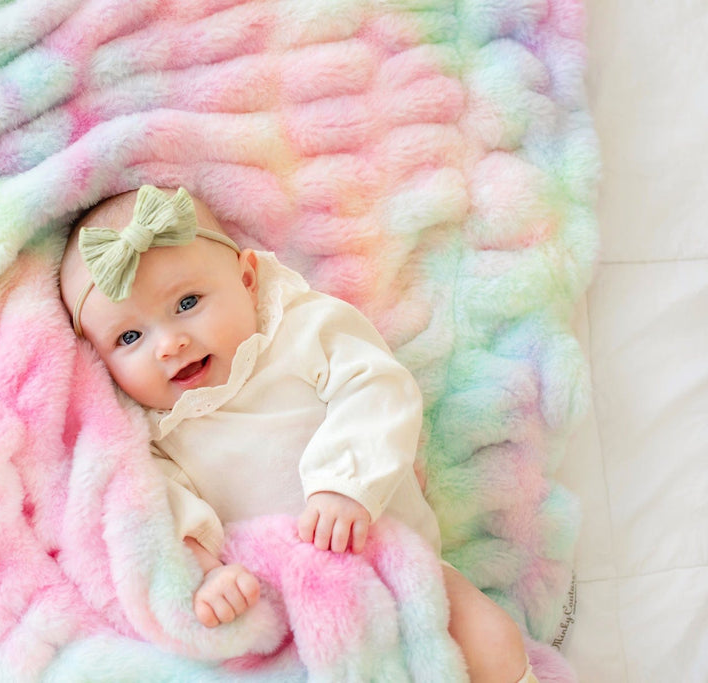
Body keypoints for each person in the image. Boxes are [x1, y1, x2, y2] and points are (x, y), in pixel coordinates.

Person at [59, 185, 538, 683]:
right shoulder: (159, 437)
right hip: (298, 616)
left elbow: (377, 387)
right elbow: (165, 515)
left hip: (401, 570)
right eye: (130, 337)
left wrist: (343, 483)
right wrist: (209, 574)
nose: (169, 343)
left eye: (187, 302)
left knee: (491, 642)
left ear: (246, 279)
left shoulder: (304, 331)